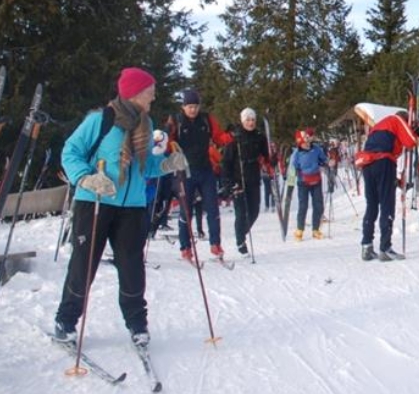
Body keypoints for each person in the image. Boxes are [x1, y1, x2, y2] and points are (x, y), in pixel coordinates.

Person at [52, 68, 187, 347]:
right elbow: (70, 152)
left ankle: (137, 324)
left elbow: (145, 166)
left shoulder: (146, 125)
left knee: (132, 266)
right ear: (136, 92)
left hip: (132, 206)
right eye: (150, 90)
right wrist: (86, 178)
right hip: (96, 202)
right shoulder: (99, 120)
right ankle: (65, 320)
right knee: (83, 264)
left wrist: (167, 164)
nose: (153, 95)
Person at [167, 88, 233, 260]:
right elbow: (167, 142)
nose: (193, 110)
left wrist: (232, 137)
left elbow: (219, 137)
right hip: (185, 171)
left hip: (205, 169)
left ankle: (215, 244)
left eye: (195, 106)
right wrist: (166, 139)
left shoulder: (206, 119)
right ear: (183, 106)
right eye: (189, 106)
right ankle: (185, 247)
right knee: (186, 210)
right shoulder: (176, 120)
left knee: (212, 208)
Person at [356, 108, 417, 261]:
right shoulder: (396, 120)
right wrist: (415, 132)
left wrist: (395, 179)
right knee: (387, 204)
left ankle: (367, 246)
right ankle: (385, 247)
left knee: (372, 205)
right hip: (383, 163)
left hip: (368, 164)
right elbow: (411, 142)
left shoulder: (377, 127)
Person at [221, 107, 268, 255]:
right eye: (248, 119)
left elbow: (266, 154)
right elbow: (226, 162)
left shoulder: (259, 137)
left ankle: (241, 231)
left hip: (253, 178)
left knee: (254, 211)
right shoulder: (235, 138)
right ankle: (240, 240)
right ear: (242, 121)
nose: (251, 122)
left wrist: (271, 159)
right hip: (238, 179)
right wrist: (228, 182)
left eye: (253, 119)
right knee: (241, 213)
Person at [291, 128, 329, 240]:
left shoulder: (316, 149)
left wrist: (328, 162)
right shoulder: (297, 153)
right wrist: (291, 178)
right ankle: (299, 229)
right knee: (303, 206)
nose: (307, 144)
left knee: (318, 205)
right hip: (303, 182)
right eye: (304, 143)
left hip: (316, 180)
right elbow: (293, 168)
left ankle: (315, 229)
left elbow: (323, 159)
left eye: (308, 141)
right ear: (300, 143)